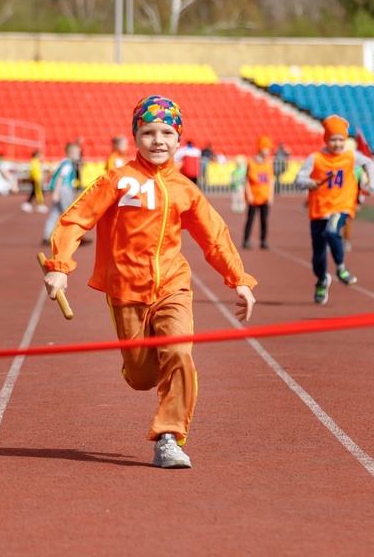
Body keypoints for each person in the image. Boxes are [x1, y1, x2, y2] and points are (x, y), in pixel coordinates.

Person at [41, 95, 256, 469]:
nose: (158, 140)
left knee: (179, 352)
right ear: (135, 137)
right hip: (125, 290)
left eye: (167, 133)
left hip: (173, 286)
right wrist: (60, 264)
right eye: (149, 132)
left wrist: (237, 278)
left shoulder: (186, 189)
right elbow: (76, 219)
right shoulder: (117, 180)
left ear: (179, 140)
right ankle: (139, 365)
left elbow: (214, 236)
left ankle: (169, 437)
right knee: (141, 377)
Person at [294, 115, 374, 304]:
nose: (338, 144)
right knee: (318, 256)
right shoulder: (315, 158)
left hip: (342, 206)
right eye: (333, 139)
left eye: (341, 139)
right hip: (319, 210)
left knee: (332, 231)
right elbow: (298, 180)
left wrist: (371, 184)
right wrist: (309, 182)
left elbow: (369, 163)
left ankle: (341, 268)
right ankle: (322, 280)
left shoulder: (350, 156)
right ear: (326, 139)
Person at [42, 142, 81, 243]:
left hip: (59, 189)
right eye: (77, 153)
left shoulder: (63, 162)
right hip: (63, 189)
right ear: (71, 153)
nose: (79, 156)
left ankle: (47, 236)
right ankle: (72, 236)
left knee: (55, 212)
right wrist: (56, 193)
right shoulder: (67, 165)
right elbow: (60, 178)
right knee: (68, 212)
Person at [242, 135, 275, 249]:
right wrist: (249, 194)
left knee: (264, 220)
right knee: (250, 219)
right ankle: (246, 239)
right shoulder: (251, 163)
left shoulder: (268, 163)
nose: (268, 151)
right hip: (254, 197)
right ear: (261, 148)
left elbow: (271, 180)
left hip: (265, 196)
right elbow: (246, 180)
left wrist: (271, 195)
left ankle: (263, 240)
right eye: (266, 149)